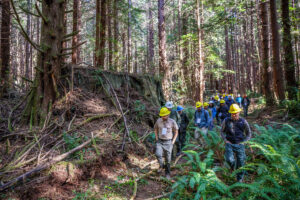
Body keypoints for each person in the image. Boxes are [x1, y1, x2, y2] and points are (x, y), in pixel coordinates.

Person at [220, 104, 252, 182]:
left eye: (236, 113)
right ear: (230, 113)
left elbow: (249, 133)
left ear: (239, 112)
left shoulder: (243, 121)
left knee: (241, 162)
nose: (234, 114)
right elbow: (221, 131)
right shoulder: (226, 120)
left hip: (240, 144)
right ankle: (234, 168)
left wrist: (244, 142)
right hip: (229, 143)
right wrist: (225, 140)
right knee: (229, 160)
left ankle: (239, 178)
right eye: (233, 113)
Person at [154, 107, 179, 179]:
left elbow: (176, 131)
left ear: (168, 114)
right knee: (158, 154)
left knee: (168, 159)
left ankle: (167, 173)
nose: (164, 117)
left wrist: (173, 141)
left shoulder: (172, 121)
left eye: (165, 115)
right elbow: (155, 129)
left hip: (168, 142)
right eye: (163, 115)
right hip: (160, 141)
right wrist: (156, 138)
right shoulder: (158, 121)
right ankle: (161, 166)